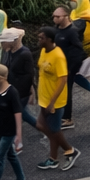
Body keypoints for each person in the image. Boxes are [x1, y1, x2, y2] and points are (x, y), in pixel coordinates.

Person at [33, 28, 81, 170]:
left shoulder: (58, 56)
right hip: (44, 97)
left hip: (54, 101)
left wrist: (52, 102)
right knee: (45, 127)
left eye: (41, 38)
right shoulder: (43, 51)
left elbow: (63, 80)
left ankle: (70, 150)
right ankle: (53, 158)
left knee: (52, 129)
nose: (39, 40)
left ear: (49, 39)